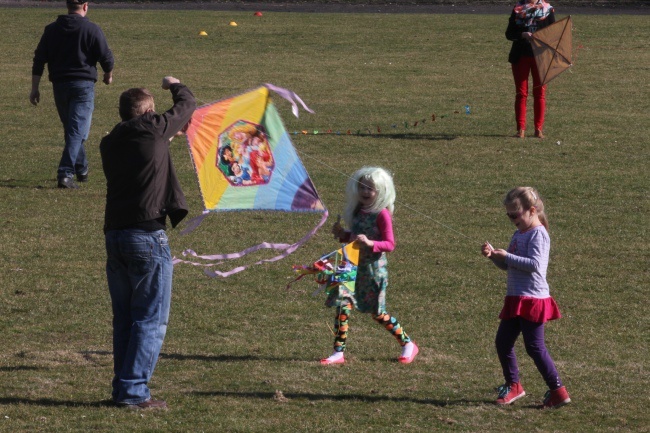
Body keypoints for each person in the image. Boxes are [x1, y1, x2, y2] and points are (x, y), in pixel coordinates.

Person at [100, 76, 196, 409]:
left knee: (125, 318)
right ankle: (133, 392)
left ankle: (123, 388)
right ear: (150, 112)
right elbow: (187, 106)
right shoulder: (152, 128)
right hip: (147, 237)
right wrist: (176, 84)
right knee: (150, 319)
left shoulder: (110, 142)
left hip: (116, 235)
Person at [481, 187, 571, 409]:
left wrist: (507, 256)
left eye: (515, 214)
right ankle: (514, 385)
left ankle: (558, 391)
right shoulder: (519, 233)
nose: (512, 219)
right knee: (502, 342)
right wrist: (494, 257)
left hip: (533, 300)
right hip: (516, 298)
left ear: (532, 211)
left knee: (535, 347)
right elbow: (508, 266)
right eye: (509, 215)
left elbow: (535, 265)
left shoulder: (539, 234)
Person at [322, 166, 418, 365]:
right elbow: (355, 238)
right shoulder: (357, 211)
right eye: (362, 187)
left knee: (377, 313)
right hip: (350, 264)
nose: (365, 192)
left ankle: (407, 343)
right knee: (343, 306)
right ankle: (338, 352)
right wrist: (344, 235)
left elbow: (390, 244)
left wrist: (371, 243)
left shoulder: (382, 214)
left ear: (381, 191)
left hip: (373, 269)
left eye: (370, 188)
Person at [30, 0, 114, 189]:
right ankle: (65, 173)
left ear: (67, 6)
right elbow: (106, 56)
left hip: (59, 85)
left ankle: (81, 168)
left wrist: (34, 88)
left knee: (72, 129)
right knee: (77, 131)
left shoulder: (51, 30)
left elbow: (39, 59)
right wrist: (108, 75)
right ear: (85, 6)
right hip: (83, 86)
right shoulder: (91, 29)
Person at [505, 0, 555, 139]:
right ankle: (520, 129)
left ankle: (538, 129)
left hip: (540, 57)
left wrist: (542, 38)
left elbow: (554, 34)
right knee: (521, 93)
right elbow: (509, 33)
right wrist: (523, 35)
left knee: (540, 93)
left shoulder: (548, 9)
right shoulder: (517, 9)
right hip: (520, 55)